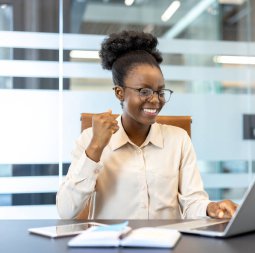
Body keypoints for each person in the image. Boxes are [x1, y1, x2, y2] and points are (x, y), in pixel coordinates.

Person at [56, 30, 237, 219]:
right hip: (115, 245)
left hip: (167, 243)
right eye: (144, 91)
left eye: (160, 92)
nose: (155, 100)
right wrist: (95, 148)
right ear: (119, 93)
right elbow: (66, 211)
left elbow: (192, 203)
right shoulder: (90, 140)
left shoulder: (178, 139)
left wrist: (210, 208)